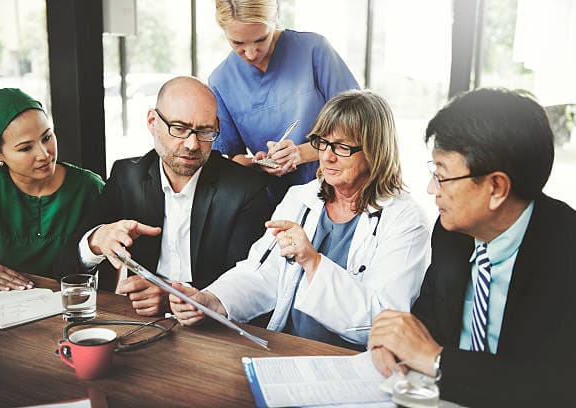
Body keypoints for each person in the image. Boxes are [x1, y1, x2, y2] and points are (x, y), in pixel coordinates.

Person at [169, 89, 430, 350]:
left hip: (353, 359)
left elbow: (382, 322)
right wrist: (211, 301)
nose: (327, 156)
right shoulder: (300, 199)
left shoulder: (405, 218)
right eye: (322, 143)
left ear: (375, 151)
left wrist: (313, 262)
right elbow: (260, 274)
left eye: (341, 146)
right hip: (289, 347)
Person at [368, 88, 576, 407]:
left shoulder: (565, 252)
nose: (430, 189)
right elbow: (431, 317)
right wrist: (397, 341)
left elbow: (552, 386)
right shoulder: (452, 232)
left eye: (442, 176)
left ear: (496, 187)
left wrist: (435, 359)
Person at [56, 76, 272, 317]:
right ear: (152, 121)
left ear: (217, 128)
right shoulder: (127, 176)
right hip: (140, 320)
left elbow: (247, 283)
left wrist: (173, 297)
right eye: (179, 128)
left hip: (213, 328)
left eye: (204, 131)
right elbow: (66, 266)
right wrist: (96, 241)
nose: (192, 144)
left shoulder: (246, 189)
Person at [210, 0, 360, 205]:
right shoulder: (221, 80)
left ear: (274, 20)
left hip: (338, 190)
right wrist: (257, 163)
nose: (252, 53)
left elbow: (359, 124)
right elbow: (234, 157)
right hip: (277, 201)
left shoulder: (314, 50)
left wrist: (300, 153)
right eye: (238, 44)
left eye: (261, 39)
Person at [0, 88, 104, 290]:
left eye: (47, 137)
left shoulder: (90, 188)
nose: (44, 154)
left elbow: (113, 258)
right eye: (26, 148)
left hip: (68, 312)